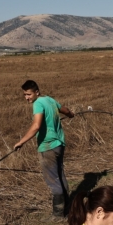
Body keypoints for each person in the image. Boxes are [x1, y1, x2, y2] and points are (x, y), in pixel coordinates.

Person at [14, 80, 75, 217]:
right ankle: (68, 206)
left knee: (53, 180)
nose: (27, 98)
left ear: (36, 92)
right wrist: (70, 114)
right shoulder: (48, 99)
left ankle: (58, 214)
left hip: (47, 147)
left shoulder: (38, 104)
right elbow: (63, 109)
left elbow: (36, 126)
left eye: (29, 94)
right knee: (60, 175)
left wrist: (21, 142)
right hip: (59, 144)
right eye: (24, 95)